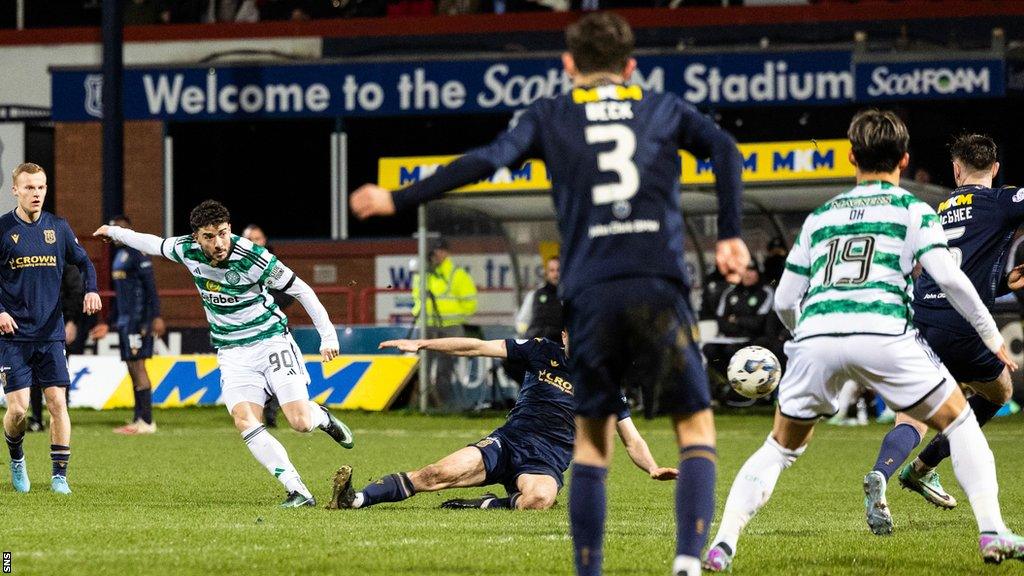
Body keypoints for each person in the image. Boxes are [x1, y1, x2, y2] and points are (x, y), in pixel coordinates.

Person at [349, 12, 748, 576]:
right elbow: (726, 151)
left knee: (590, 447)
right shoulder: (662, 106)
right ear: (631, 68)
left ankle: (589, 569)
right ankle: (687, 561)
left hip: (589, 294)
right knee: (696, 432)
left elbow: (487, 160)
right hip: (658, 283)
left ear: (568, 66)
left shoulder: (552, 114)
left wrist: (399, 199)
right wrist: (730, 233)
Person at [702, 110, 1024, 572]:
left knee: (778, 447)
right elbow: (950, 279)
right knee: (960, 423)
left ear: (851, 156)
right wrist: (992, 336)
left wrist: (807, 342)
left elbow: (787, 299)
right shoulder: (913, 210)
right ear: (905, 159)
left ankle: (723, 544)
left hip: (816, 335)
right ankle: (992, 533)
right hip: (884, 333)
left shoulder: (820, 216)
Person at [93, 199, 354, 508]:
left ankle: (321, 417)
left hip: (271, 341)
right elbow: (153, 243)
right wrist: (115, 232)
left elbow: (301, 290)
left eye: (223, 233)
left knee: (299, 422)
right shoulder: (185, 250)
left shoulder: (254, 257)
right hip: (232, 352)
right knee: (245, 420)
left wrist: (327, 336)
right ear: (196, 237)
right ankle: (297, 490)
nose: (218, 243)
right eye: (209, 236)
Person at [862, 134, 1024, 531]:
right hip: (963, 324)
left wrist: (1003, 282)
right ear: (996, 168)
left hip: (924, 319)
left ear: (956, 170)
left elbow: (949, 268)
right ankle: (923, 467)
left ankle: (882, 473)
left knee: (912, 415)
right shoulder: (1002, 200)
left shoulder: (937, 210)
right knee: (1000, 392)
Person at [328, 331, 675, 511]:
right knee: (436, 474)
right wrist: (421, 343)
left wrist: (653, 467)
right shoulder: (541, 351)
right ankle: (355, 499)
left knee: (540, 500)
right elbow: (475, 347)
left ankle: (486, 504)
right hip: (507, 443)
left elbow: (632, 439)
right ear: (566, 337)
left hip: (545, 461)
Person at [1, 162, 102, 495]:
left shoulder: (58, 227)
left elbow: (84, 261)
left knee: (58, 402)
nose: (36, 193)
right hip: (13, 336)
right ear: (15, 189)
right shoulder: (3, 229)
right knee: (18, 409)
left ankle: (59, 476)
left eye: (41, 187)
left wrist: (91, 288)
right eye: (29, 187)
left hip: (51, 332)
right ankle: (16, 458)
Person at [89, 215, 165, 435]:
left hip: (138, 321)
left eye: (120, 228)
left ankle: (147, 421)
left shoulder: (137, 253)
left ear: (129, 230)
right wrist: (110, 322)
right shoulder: (119, 256)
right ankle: (138, 419)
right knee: (132, 367)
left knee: (139, 366)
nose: (116, 232)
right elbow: (122, 295)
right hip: (124, 321)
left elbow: (151, 288)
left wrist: (154, 317)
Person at [413, 237, 479, 408]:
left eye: (440, 251)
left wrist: (456, 318)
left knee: (445, 368)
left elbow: (470, 303)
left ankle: (443, 403)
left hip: (451, 327)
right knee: (422, 366)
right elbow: (416, 298)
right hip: (427, 325)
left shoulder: (457, 274)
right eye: (434, 252)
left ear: (447, 253)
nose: (437, 255)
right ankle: (424, 401)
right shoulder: (423, 273)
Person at [242, 223, 293, 428]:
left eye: (258, 239)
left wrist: (263, 302)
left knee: (277, 374)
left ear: (265, 241)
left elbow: (289, 294)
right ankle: (254, 412)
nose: (255, 243)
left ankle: (271, 413)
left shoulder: (274, 265)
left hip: (273, 329)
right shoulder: (234, 264)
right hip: (245, 331)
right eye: (250, 239)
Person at [27, 264, 85, 433]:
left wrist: (72, 321)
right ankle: (37, 417)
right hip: (34, 322)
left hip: (59, 323)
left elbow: (76, 291)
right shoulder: (35, 257)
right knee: (34, 370)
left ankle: (60, 417)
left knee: (58, 373)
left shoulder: (65, 260)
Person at [514, 256, 563, 342]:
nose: (555, 274)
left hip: (558, 348)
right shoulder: (535, 294)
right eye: (552, 270)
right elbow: (522, 320)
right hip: (534, 344)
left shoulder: (568, 297)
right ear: (546, 273)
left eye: (558, 270)